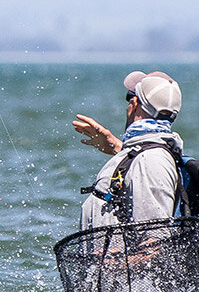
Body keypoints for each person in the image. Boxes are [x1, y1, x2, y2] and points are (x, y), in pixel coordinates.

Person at [74, 71, 183, 229]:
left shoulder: (151, 161)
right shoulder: (150, 154)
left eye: (129, 97)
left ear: (136, 103)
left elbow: (154, 240)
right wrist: (119, 147)